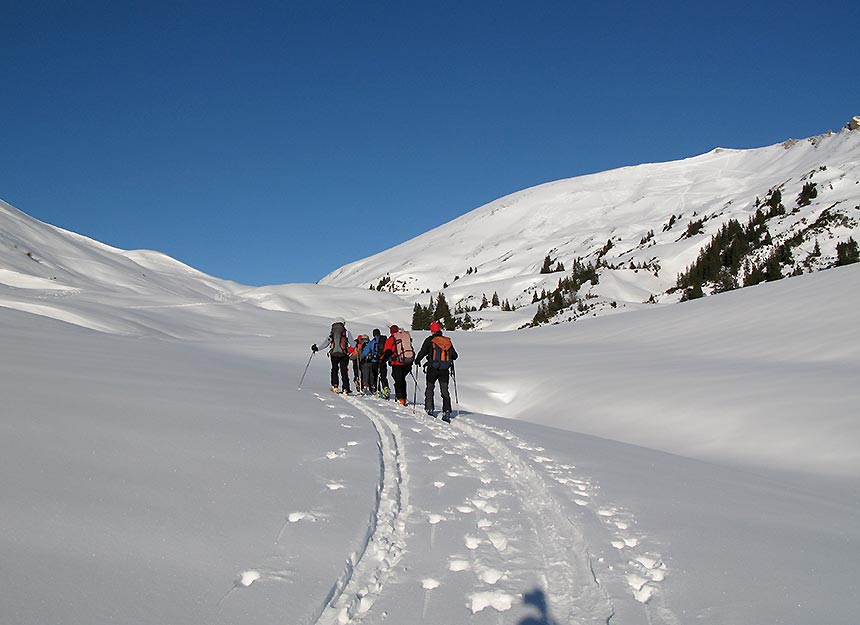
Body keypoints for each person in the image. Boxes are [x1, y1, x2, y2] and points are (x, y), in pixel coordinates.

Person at [415, 321, 458, 422]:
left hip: (432, 369)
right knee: (444, 391)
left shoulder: (430, 340)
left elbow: (422, 352)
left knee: (430, 388)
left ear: (432, 330)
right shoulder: (447, 341)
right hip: (444, 370)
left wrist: (417, 361)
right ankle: (447, 411)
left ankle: (429, 408)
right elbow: (455, 356)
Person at [311, 317, 354, 395]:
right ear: (343, 323)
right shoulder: (346, 333)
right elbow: (353, 345)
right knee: (344, 371)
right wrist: (348, 350)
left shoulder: (332, 333)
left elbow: (325, 344)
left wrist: (317, 348)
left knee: (334, 369)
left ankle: (335, 386)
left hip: (333, 354)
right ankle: (346, 388)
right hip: (344, 354)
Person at [381, 324, 414, 406]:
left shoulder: (392, 338)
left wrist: (383, 360)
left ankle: (400, 398)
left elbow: (388, 351)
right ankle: (404, 397)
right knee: (403, 379)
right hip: (407, 362)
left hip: (397, 362)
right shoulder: (404, 337)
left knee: (398, 380)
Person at [362, 328, 390, 398]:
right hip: (383, 361)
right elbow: (388, 350)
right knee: (383, 376)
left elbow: (365, 352)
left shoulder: (372, 342)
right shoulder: (384, 341)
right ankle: (386, 388)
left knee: (376, 376)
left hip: (375, 361)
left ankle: (378, 391)